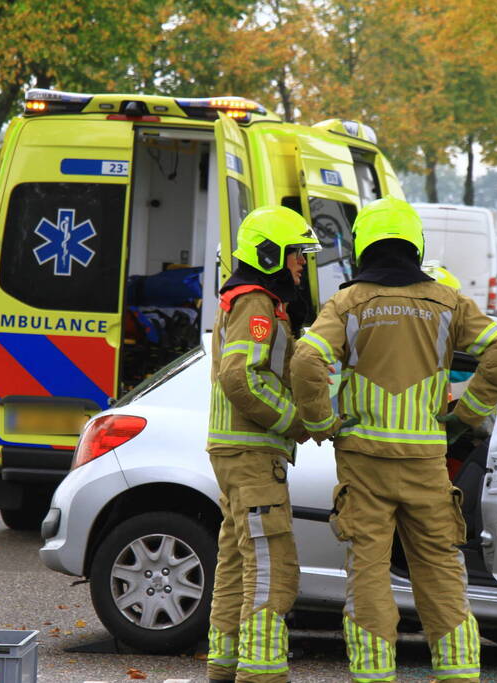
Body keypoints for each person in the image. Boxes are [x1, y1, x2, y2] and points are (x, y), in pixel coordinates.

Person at [289, 197, 497, 683]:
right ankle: (458, 673)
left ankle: (374, 675)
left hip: (364, 465)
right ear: (415, 244)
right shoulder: (446, 301)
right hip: (426, 465)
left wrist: (322, 422)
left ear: (363, 245)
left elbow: (307, 360)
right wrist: (464, 418)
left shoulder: (348, 302)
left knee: (369, 574)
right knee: (440, 571)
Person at [205, 205, 321, 683]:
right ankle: (261, 673)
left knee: (236, 562)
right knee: (273, 565)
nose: (301, 264)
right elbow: (242, 379)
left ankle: (226, 664)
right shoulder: (254, 304)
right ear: (271, 254)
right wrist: (296, 420)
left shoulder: (253, 302)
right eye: (296, 254)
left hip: (236, 453)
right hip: (252, 454)